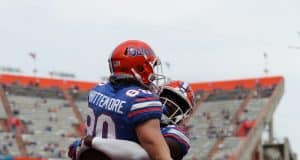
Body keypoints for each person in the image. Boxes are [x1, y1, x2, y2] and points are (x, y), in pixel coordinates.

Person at [71, 40, 172, 160]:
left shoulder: (97, 90)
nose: (154, 74)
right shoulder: (142, 99)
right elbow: (158, 152)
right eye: (152, 66)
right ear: (140, 68)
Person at [69, 80, 195, 160]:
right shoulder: (138, 116)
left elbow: (148, 152)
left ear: (185, 114)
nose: (169, 104)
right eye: (166, 97)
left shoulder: (178, 133)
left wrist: (94, 143)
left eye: (179, 104)